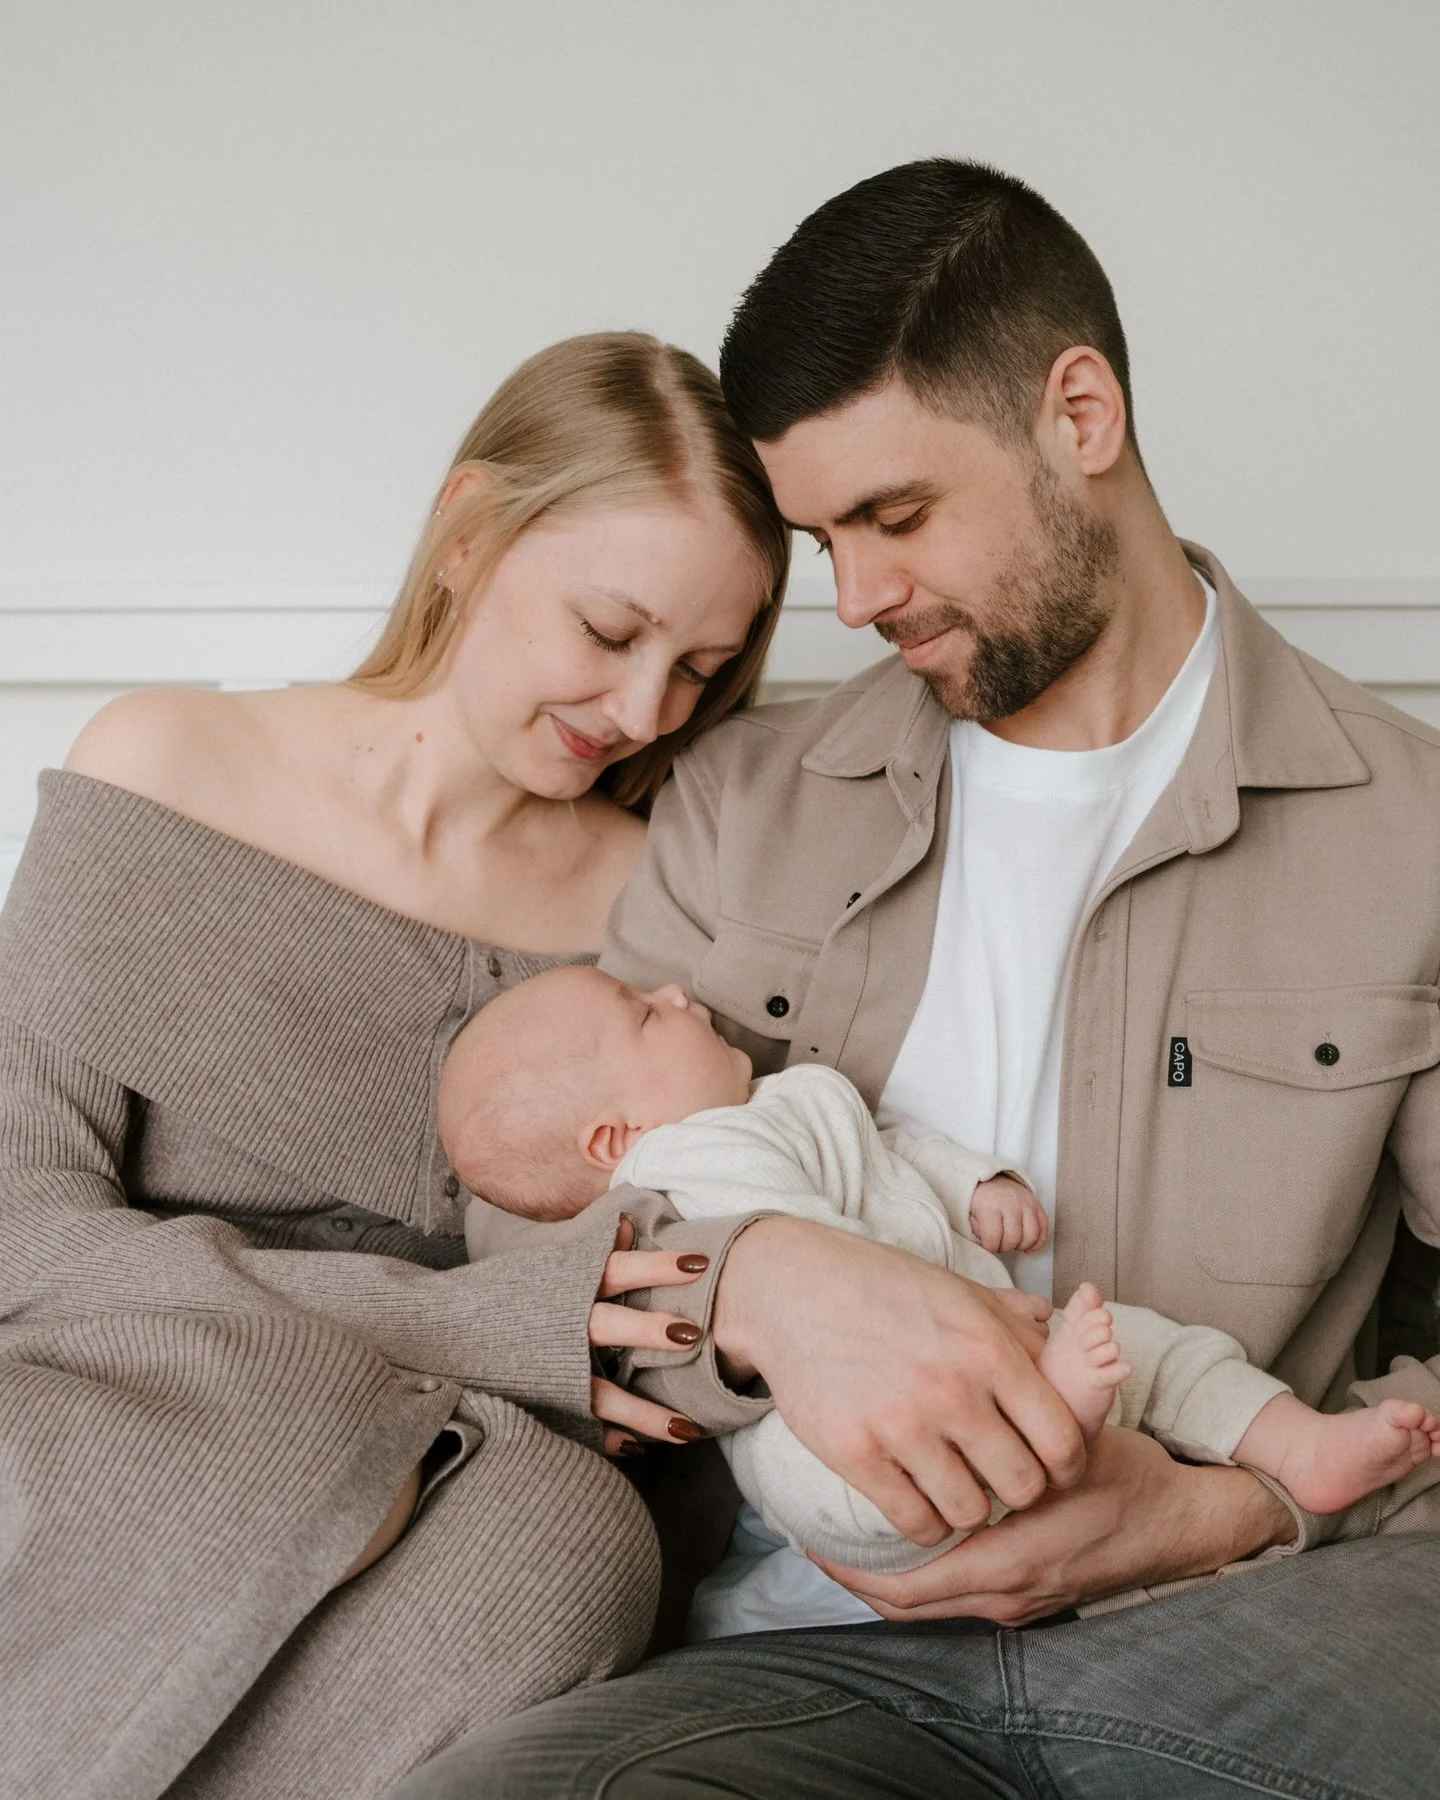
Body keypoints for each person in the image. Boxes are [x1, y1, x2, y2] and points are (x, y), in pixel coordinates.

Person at [390, 165, 1440, 1798]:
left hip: (1258, 1622)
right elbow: (532, 1215)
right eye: (823, 540)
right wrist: (756, 1292)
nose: (855, 599)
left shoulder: (1412, 834)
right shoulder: (740, 803)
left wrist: (1241, 1502)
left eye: (894, 518)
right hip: (807, 1653)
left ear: (1078, 415)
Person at [2, 331, 1090, 1800]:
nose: (645, 713)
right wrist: (485, 1328)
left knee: (563, 1543)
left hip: (487, 1482)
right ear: (469, 538)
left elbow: (676, 1288)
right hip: (128, 1398)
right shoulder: (170, 764)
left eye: (702, 669)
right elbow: (23, 1238)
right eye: (608, 630)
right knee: (297, 1422)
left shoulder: (665, 906)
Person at [439, 959, 1439, 1622]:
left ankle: (1295, 1450)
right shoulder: (687, 1164)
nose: (677, 994)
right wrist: (823, 1296)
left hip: (993, 1333)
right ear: (614, 1140)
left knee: (1158, 1344)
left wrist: (973, 1180)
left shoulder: (781, 1099)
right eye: (645, 1016)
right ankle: (1060, 1425)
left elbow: (886, 1140)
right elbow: (808, 1267)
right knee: (869, 1484)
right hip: (834, 1446)